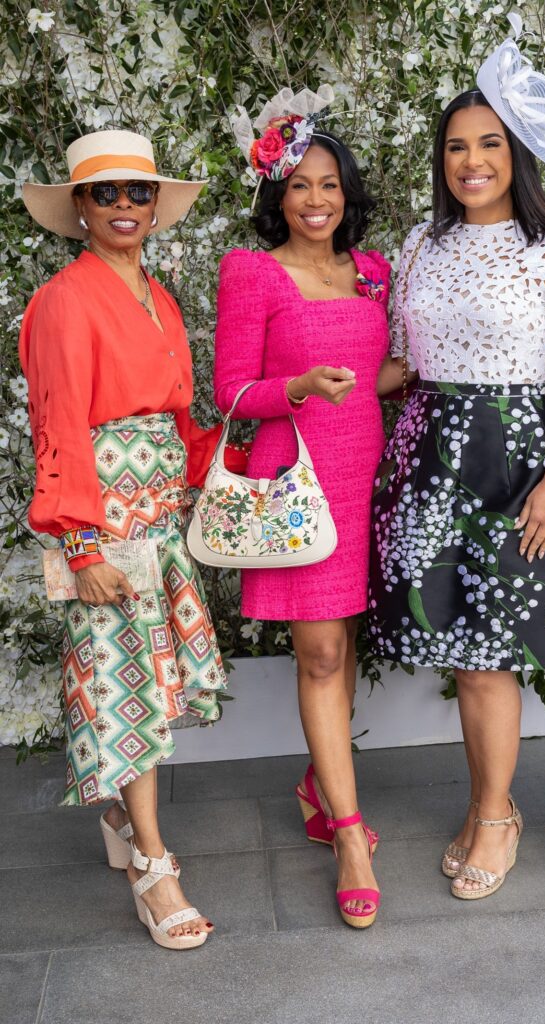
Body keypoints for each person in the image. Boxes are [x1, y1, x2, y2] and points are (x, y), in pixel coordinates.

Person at [371, 27, 545, 901]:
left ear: (518, 152)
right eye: (457, 147)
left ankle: (498, 815)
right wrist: (329, 382)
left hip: (521, 458)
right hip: (432, 459)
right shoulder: (420, 246)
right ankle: (485, 805)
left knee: (492, 653)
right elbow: (403, 365)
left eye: (489, 143)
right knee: (467, 653)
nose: (471, 161)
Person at [20, 129, 245, 949]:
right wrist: (80, 547)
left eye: (137, 192)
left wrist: (230, 460)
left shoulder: (161, 296)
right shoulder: (63, 300)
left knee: (148, 679)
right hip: (102, 514)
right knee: (125, 685)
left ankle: (123, 817)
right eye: (105, 192)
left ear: (155, 206)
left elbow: (179, 420)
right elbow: (58, 427)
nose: (124, 205)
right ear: (78, 207)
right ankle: (155, 866)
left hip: (158, 512)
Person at [212, 87, 389, 927]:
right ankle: (349, 834)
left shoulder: (373, 272)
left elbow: (381, 374)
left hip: (365, 478)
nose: (316, 201)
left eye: (330, 186)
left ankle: (322, 788)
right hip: (297, 482)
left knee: (342, 639)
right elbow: (232, 393)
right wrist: (298, 388)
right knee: (320, 652)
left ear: (347, 195)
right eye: (300, 186)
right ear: (275, 196)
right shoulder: (252, 271)